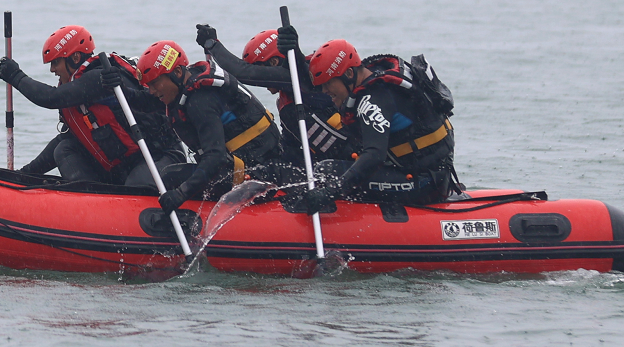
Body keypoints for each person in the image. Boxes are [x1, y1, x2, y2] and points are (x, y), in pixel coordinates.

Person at [0, 25, 183, 187]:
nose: (52, 70)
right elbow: (64, 139)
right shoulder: (76, 88)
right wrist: (24, 174)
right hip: (124, 166)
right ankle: (90, 202)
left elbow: (49, 98)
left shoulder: (98, 77)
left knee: (136, 184)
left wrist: (16, 77)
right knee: (65, 148)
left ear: (76, 57)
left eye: (55, 62)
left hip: (159, 157)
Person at [301, 39, 457, 212]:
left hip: (425, 184)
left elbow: (375, 155)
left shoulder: (372, 100)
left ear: (349, 74)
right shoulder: (376, 77)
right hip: (435, 174)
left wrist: (331, 192)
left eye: (328, 83)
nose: (324, 91)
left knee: (326, 173)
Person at [135, 39, 282, 214]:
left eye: (154, 83)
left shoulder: (200, 102)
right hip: (249, 163)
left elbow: (216, 156)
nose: (151, 90)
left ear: (177, 72)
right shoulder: (185, 89)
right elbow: (148, 103)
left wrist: (181, 193)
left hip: (255, 175)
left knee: (169, 176)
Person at [196, 23, 355, 165]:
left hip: (349, 156)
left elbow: (242, 72)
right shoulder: (287, 100)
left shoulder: (300, 76)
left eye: (260, 67)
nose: (262, 81)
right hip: (324, 158)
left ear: (273, 63)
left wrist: (212, 45)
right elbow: (291, 143)